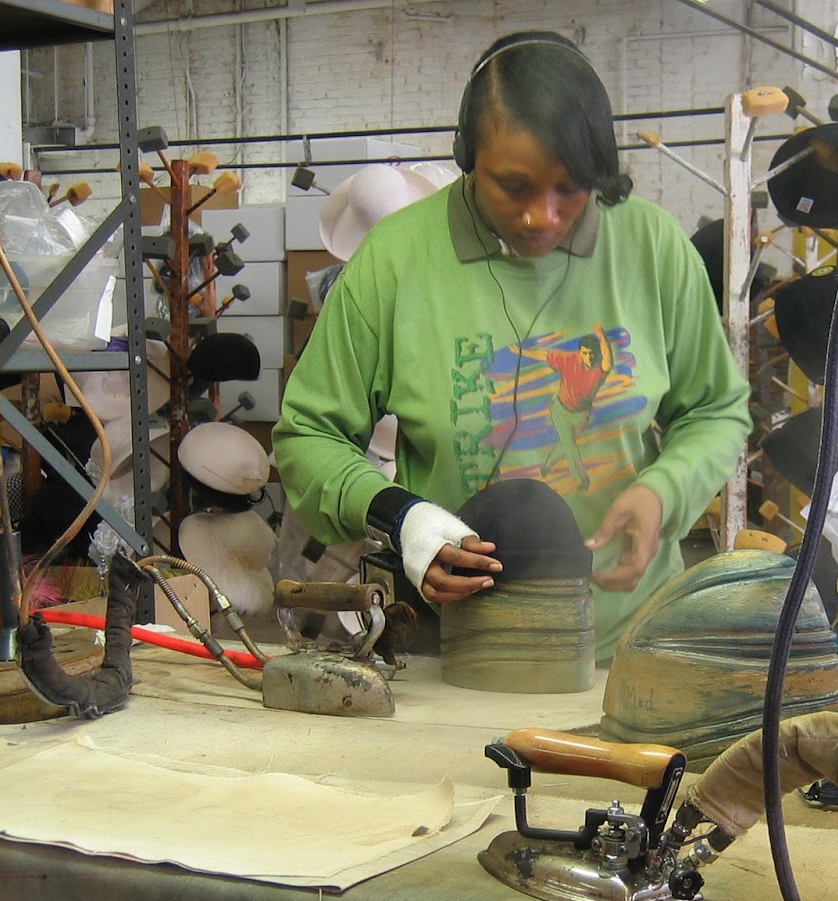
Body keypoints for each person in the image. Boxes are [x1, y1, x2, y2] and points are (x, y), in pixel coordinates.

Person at [272, 30, 751, 658]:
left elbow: (715, 410)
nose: (542, 217)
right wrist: (401, 516)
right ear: (468, 157)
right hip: (456, 648)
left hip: (624, 647)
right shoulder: (395, 262)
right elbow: (308, 435)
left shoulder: (654, 250)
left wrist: (665, 491)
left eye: (571, 189)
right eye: (514, 186)